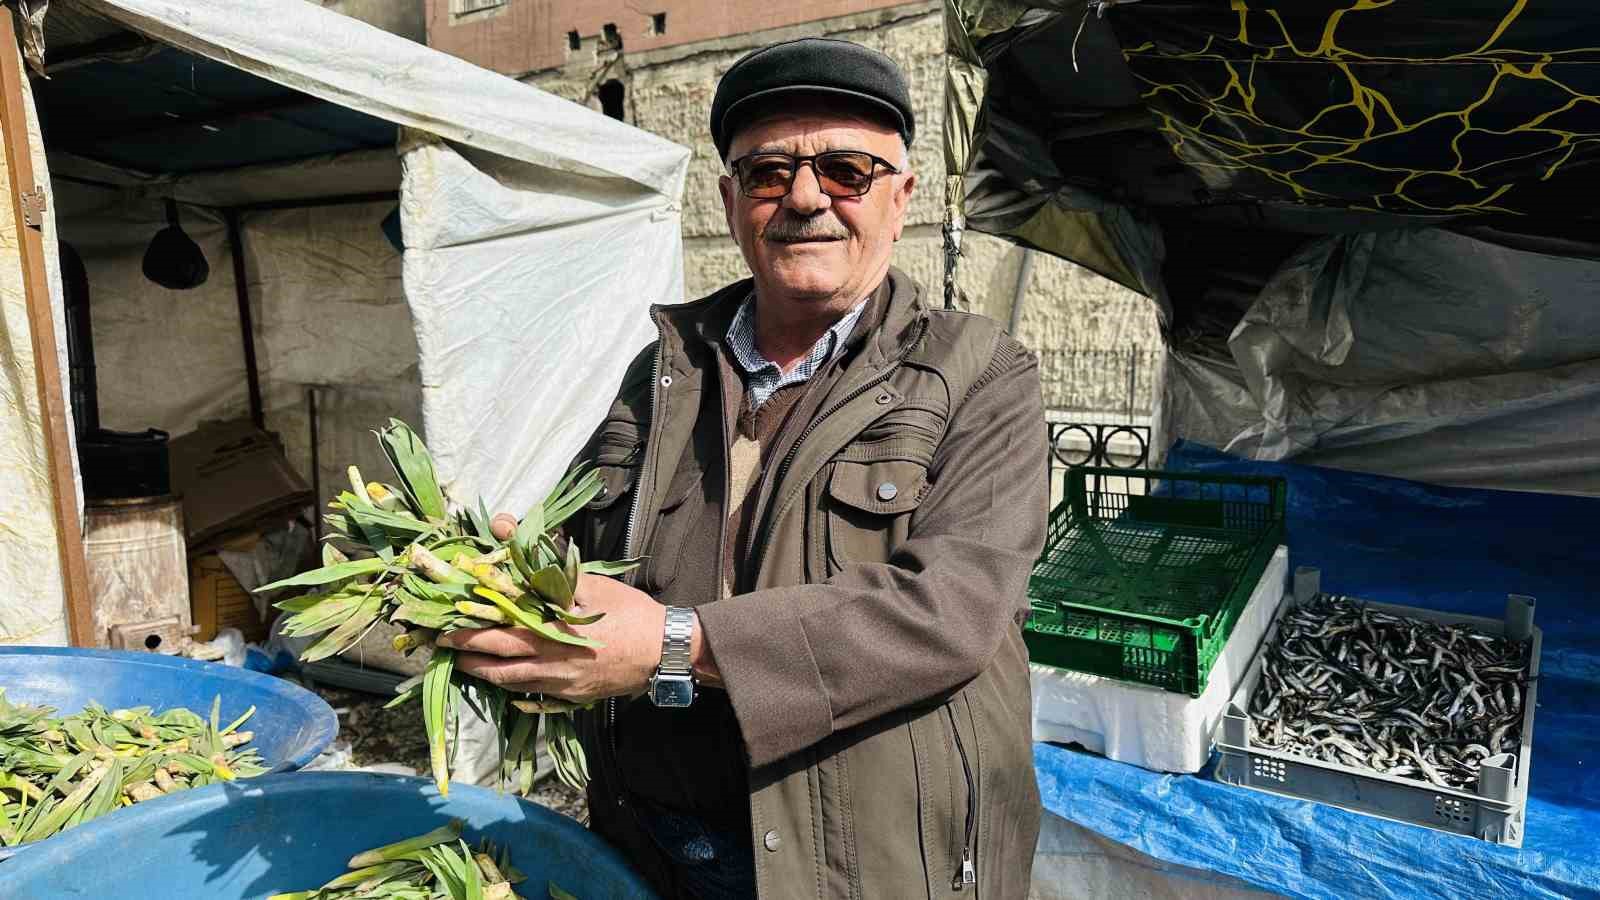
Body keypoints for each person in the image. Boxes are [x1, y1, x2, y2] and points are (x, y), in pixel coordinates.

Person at [440, 37, 1048, 899]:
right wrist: (497, 578)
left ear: (902, 196)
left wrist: (672, 646)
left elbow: (949, 612)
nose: (805, 198)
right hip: (655, 848)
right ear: (731, 201)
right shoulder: (664, 369)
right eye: (768, 173)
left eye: (846, 170)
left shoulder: (980, 374)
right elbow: (584, 549)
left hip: (861, 868)